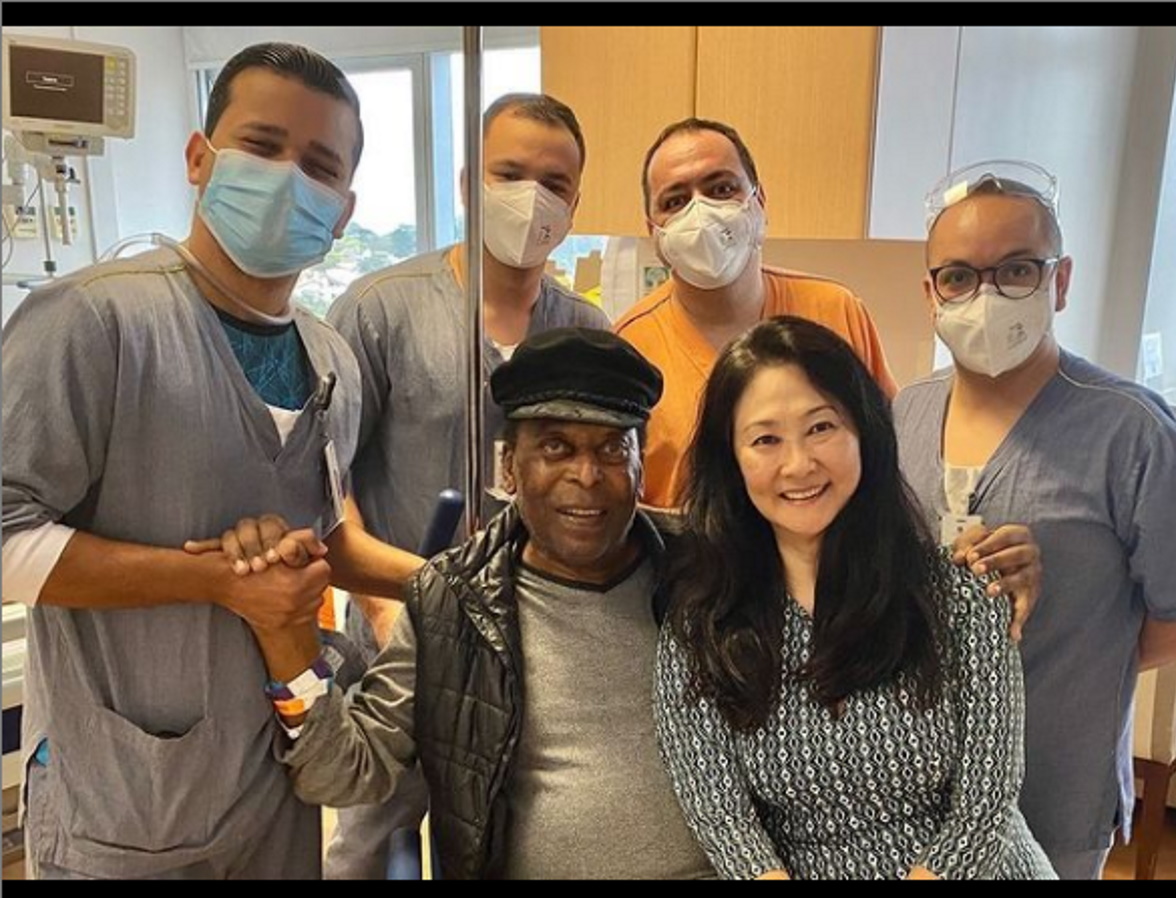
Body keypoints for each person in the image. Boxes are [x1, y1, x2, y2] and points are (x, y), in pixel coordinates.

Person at [0, 43, 420, 880]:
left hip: (274, 790)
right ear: (200, 159)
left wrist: (454, 583)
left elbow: (325, 537)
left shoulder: (330, 361)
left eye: (319, 166)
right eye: (262, 146)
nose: (287, 179)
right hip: (126, 801)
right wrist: (215, 581)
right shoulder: (93, 324)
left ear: (342, 211)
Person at [248, 328, 713, 880]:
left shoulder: (708, 574)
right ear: (509, 467)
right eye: (556, 447)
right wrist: (286, 635)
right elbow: (345, 772)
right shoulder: (454, 606)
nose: (586, 475)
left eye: (613, 449)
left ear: (640, 470)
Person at [319, 92, 609, 878]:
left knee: (494, 842)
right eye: (509, 174)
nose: (531, 197)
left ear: (575, 204)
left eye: (554, 183)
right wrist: (384, 607)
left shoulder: (585, 333)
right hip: (398, 632)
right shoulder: (381, 311)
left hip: (528, 648)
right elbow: (323, 477)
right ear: (467, 183)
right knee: (372, 843)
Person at [653, 316, 1056, 880]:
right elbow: (723, 821)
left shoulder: (962, 593)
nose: (798, 464)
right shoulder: (701, 628)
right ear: (732, 460)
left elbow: (987, 805)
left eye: (821, 427)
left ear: (864, 431)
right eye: (766, 439)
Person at [893, 160, 1176, 879]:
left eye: (1017, 270)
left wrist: (1087, 654)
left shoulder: (1132, 434)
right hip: (915, 784)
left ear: (1059, 282)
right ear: (931, 293)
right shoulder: (906, 411)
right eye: (959, 276)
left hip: (1054, 784)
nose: (986, 295)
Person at [614, 117, 896, 510]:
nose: (700, 212)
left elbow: (890, 454)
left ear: (758, 202)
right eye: (675, 201)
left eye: (721, 189)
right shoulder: (628, 348)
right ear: (653, 232)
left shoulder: (835, 312)